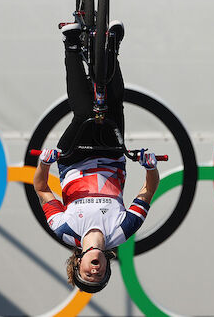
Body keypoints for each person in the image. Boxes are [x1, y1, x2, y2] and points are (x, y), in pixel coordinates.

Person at [33, 19, 160, 293]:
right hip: (113, 155)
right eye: (99, 276)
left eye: (87, 274)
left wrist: (44, 162)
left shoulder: (65, 229)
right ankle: (112, 45)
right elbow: (148, 191)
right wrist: (149, 167)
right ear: (106, 267)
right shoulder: (122, 231)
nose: (94, 271)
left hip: (73, 158)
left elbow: (42, 189)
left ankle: (71, 44)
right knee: (114, 104)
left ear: (77, 263)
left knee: (82, 113)